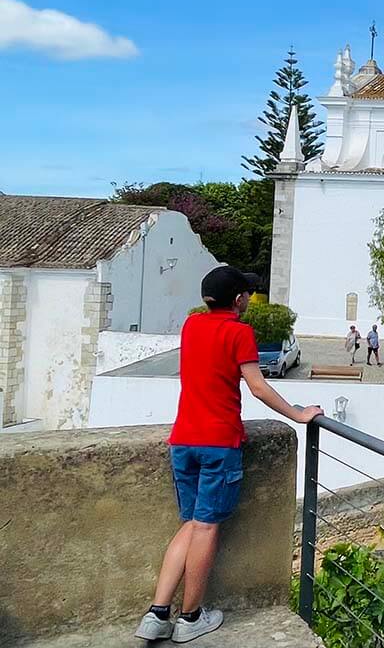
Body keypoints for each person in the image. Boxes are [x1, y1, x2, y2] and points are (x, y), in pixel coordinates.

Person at [135, 266, 322, 643]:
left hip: (183, 440)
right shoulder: (239, 332)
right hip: (218, 443)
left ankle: (157, 614)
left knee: (189, 524)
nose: (251, 299)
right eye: (247, 294)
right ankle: (189, 618)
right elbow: (257, 386)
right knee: (205, 527)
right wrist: (299, 414)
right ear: (238, 299)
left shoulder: (191, 327)